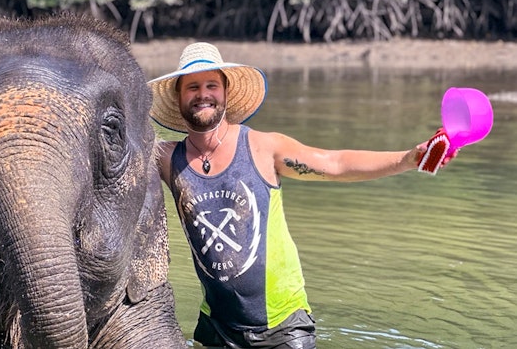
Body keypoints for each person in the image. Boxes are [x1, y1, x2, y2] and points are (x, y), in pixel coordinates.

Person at [148, 42, 454, 349]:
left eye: (211, 85)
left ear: (225, 92)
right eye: (192, 87)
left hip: (282, 326)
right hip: (217, 326)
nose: (203, 94)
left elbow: (335, 164)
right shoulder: (164, 159)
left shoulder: (263, 148)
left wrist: (410, 158)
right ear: (179, 97)